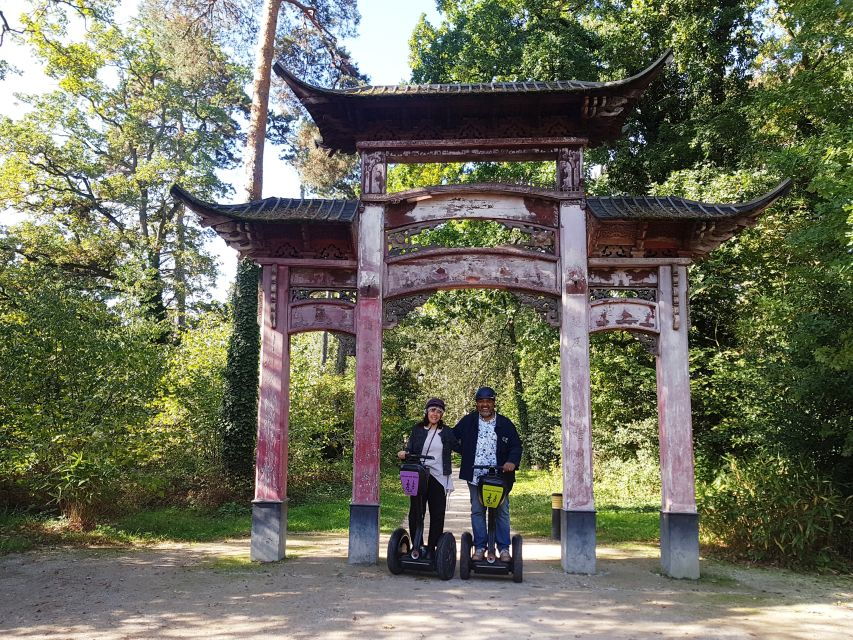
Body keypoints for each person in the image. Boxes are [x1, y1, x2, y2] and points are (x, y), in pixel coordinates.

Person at [451, 386, 523, 562]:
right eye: (481, 401)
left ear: (493, 403)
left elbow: (516, 446)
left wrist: (511, 462)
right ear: (477, 404)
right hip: (475, 476)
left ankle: (504, 549)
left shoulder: (505, 424)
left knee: (501, 511)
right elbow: (452, 437)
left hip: (500, 477)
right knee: (477, 510)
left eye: (488, 401)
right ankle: (480, 547)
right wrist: (465, 451)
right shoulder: (468, 421)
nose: (485, 405)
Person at [397, 397, 458, 559]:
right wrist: (404, 454)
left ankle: (432, 549)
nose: (435, 414)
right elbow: (409, 449)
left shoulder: (447, 432)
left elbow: (461, 446)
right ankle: (417, 546)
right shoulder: (417, 429)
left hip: (438, 477)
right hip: (419, 475)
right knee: (416, 512)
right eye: (432, 410)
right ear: (427, 411)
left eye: (439, 411)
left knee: (437, 513)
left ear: (442, 415)